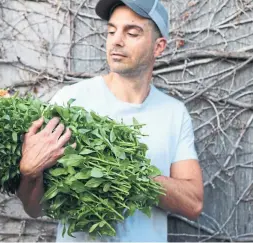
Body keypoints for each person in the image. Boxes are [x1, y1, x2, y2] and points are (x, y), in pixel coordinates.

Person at [16, 0, 204, 241]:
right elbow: (34, 208)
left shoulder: (173, 113)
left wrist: (128, 172)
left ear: (158, 47)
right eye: (111, 31)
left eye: (132, 32)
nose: (116, 40)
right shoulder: (71, 100)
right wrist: (29, 173)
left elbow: (193, 203)